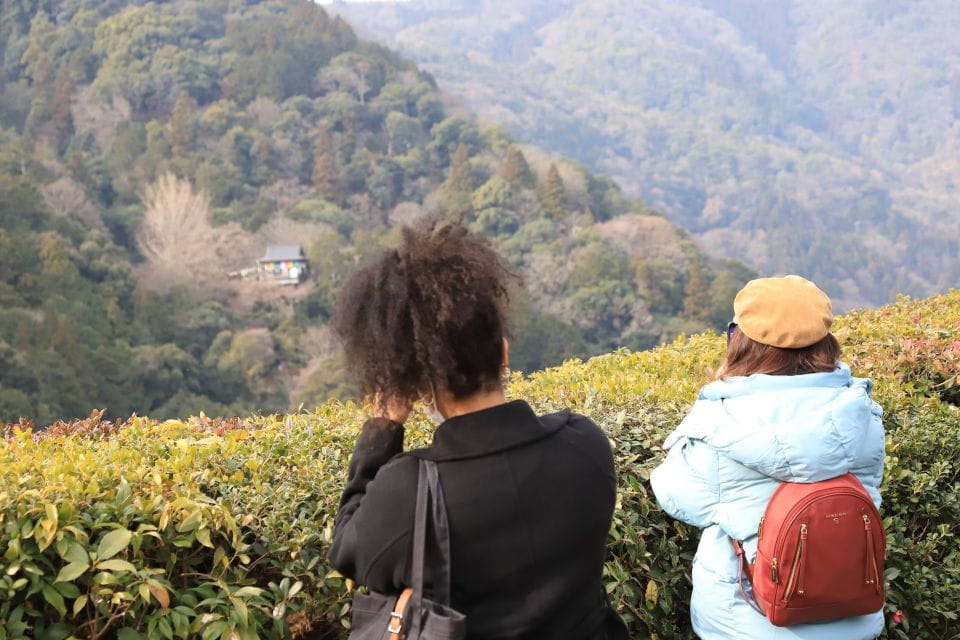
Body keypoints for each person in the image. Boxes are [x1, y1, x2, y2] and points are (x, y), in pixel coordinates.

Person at [327, 219, 628, 639]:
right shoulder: (585, 443)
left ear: (415, 383)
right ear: (503, 351)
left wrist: (382, 427)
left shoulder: (409, 490)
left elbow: (347, 548)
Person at [650, 275, 885, 640]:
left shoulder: (720, 421)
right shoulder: (860, 411)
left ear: (740, 341)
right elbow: (869, 486)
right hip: (852, 611)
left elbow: (674, 496)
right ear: (825, 343)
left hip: (748, 618)